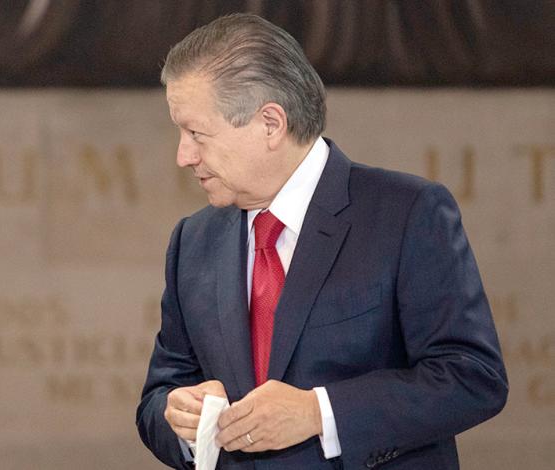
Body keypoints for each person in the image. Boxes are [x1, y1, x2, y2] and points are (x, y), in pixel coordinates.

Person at [136, 13, 507, 470]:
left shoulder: (408, 213)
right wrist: (181, 415)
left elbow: (472, 377)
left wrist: (319, 413)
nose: (183, 156)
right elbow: (160, 393)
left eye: (196, 133)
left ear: (270, 124)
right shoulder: (192, 241)